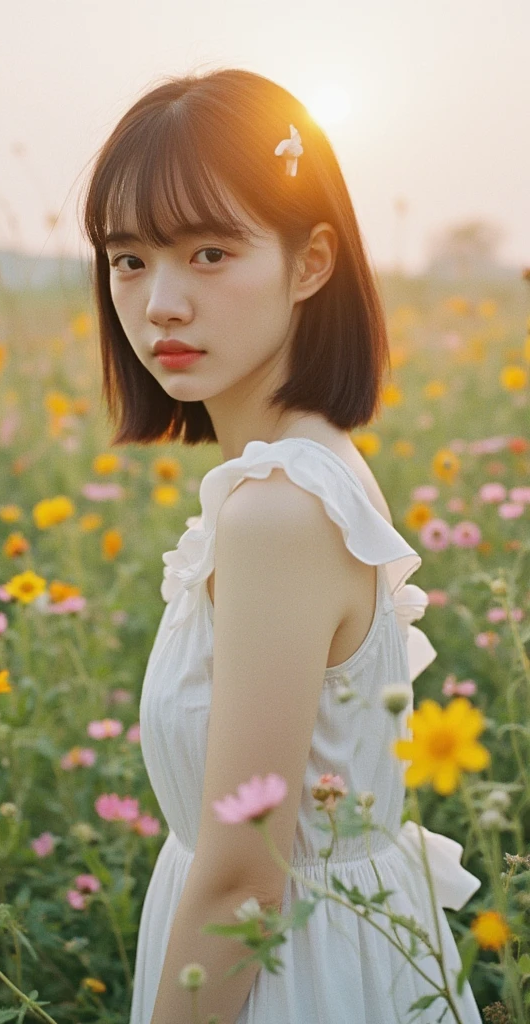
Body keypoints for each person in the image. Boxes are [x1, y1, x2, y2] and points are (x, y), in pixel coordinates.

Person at [81, 67, 483, 1024]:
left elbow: (240, 883)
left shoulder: (281, 511)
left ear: (311, 263)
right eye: (129, 258)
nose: (160, 303)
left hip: (284, 979)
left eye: (210, 252)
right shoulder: (306, 472)